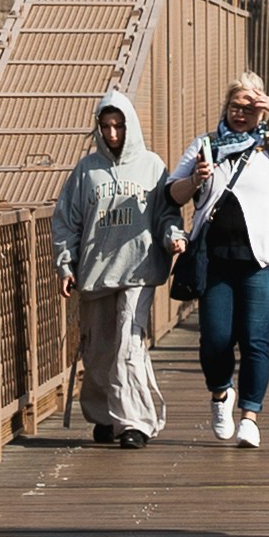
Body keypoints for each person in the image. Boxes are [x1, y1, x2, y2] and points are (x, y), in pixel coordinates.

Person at [167, 70, 269, 447]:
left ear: (261, 111)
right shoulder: (206, 145)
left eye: (250, 107)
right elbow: (172, 196)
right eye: (235, 106)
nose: (241, 114)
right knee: (215, 339)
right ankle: (219, 394)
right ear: (225, 108)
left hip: (266, 260)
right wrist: (196, 178)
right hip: (215, 259)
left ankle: (250, 416)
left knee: (255, 338)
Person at [48, 92, 169, 447]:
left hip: (139, 269)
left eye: (119, 126)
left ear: (130, 126)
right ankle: (104, 416)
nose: (113, 134)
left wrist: (173, 236)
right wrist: (64, 265)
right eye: (106, 126)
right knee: (99, 350)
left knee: (128, 350)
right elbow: (65, 221)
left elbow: (166, 213)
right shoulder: (86, 170)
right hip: (96, 272)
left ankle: (135, 423)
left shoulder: (151, 165)